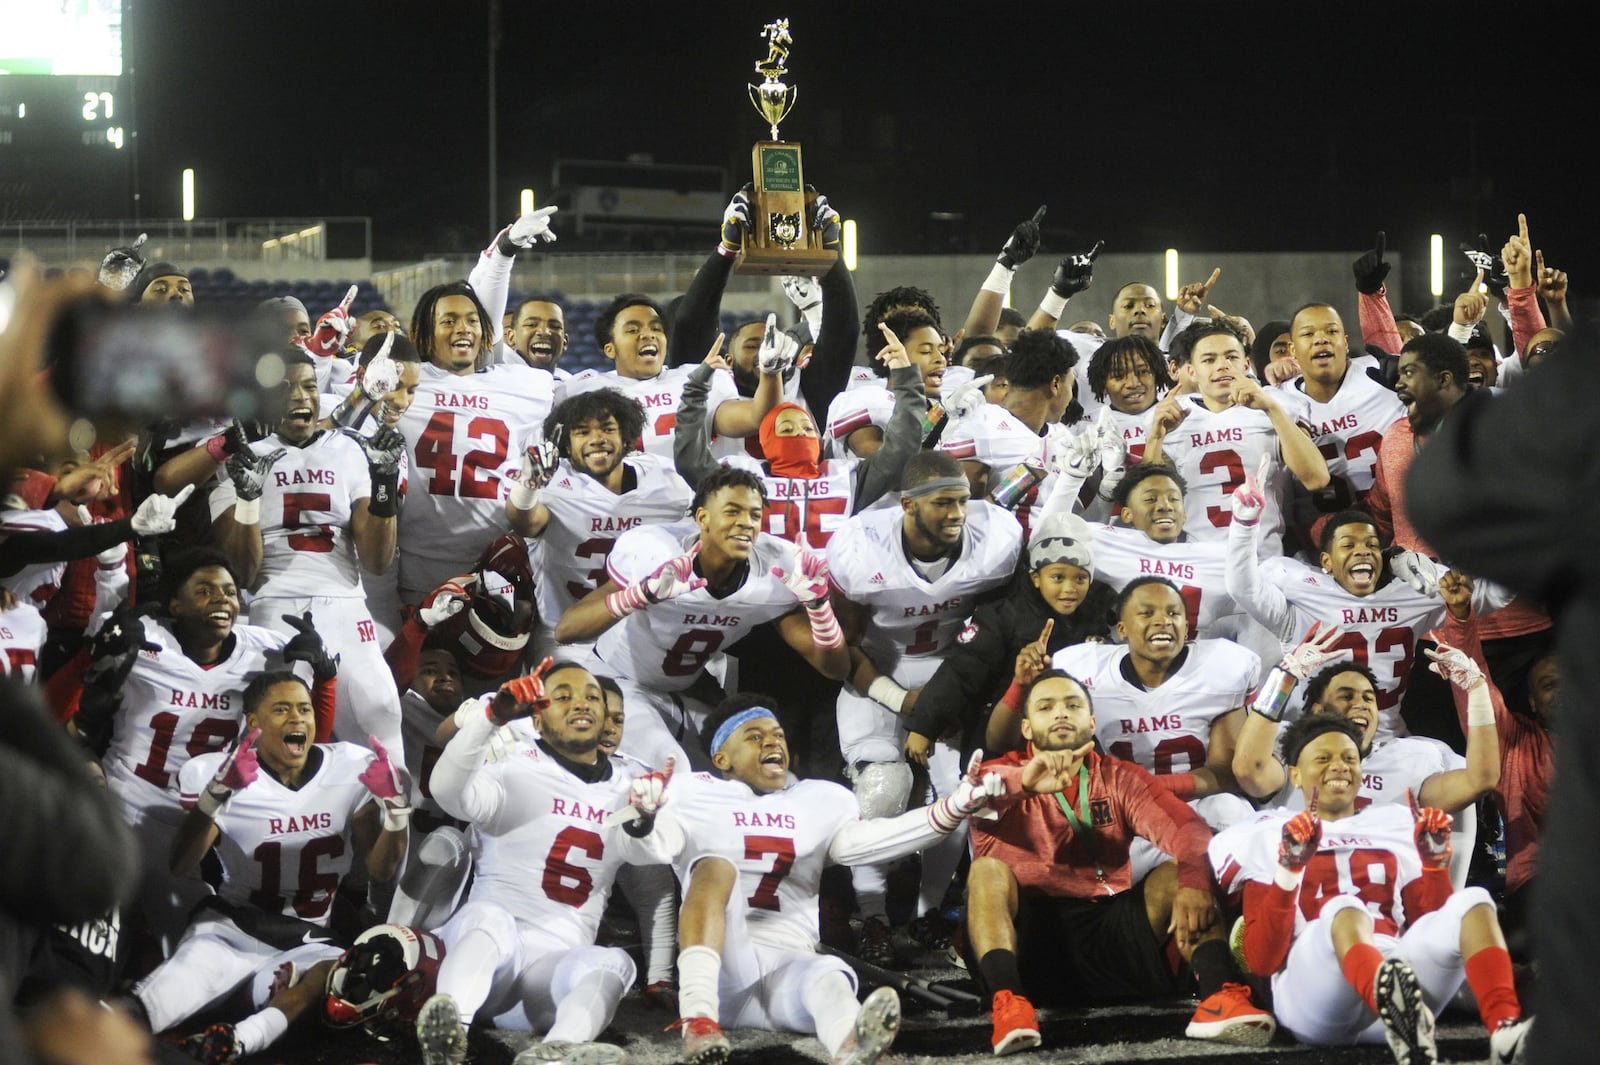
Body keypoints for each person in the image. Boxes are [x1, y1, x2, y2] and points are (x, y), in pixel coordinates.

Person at [613, 694, 1003, 1065]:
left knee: (829, 978)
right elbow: (645, 849)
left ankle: (855, 1046)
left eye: (778, 735)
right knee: (715, 866)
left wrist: (954, 806)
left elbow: (874, 842)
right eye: (755, 736)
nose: (773, 742)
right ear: (722, 758)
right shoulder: (691, 792)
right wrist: (641, 819)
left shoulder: (818, 800)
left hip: (790, 966)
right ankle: (697, 1022)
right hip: (721, 975)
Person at [965, 670, 1273, 1054]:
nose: (1061, 713)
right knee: (985, 871)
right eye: (1046, 707)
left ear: (1092, 723)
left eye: (1072, 705)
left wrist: (1194, 883)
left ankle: (1218, 996)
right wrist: (1024, 783)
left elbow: (1188, 829)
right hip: (1032, 942)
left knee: (1182, 872)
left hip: (1110, 929)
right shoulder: (997, 775)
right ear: (1026, 728)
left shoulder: (1118, 777)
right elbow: (978, 794)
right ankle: (1009, 1003)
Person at [1209, 714, 1532, 1064]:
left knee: (1474, 900)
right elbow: (1261, 960)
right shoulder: (1267, 831)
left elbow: (1430, 925)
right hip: (1315, 993)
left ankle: (1504, 1028)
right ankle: (1398, 1007)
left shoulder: (1394, 822)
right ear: (1295, 774)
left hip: (1397, 973)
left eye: (1349, 758)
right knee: (1344, 908)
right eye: (1323, 758)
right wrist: (1289, 869)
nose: (1340, 766)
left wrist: (1433, 866)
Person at [132, 671, 410, 1062]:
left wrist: (397, 813)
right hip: (231, 931)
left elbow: (381, 871)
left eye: (304, 709)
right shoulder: (223, 773)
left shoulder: (348, 768)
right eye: (282, 709)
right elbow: (181, 863)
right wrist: (216, 797)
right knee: (151, 1006)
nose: (297, 719)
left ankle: (234, 1042)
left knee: (331, 976)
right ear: (255, 723)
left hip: (306, 940)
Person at [74, 549, 339, 950]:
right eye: (204, 591)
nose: (222, 599)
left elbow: (307, 734)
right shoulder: (144, 637)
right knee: (93, 937)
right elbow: (76, 693)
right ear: (175, 605)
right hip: (125, 802)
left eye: (230, 591)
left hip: (199, 818)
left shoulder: (269, 651)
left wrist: (321, 672)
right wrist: (102, 649)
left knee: (192, 945)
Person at [827, 451, 1023, 962]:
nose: (958, 513)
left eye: (962, 501)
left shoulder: (995, 539)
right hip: (878, 673)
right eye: (943, 503)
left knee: (960, 800)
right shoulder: (860, 546)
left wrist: (954, 696)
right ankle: (871, 917)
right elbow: (839, 650)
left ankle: (926, 916)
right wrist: (902, 700)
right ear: (907, 506)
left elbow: (998, 629)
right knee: (883, 789)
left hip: (951, 672)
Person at [414, 663, 645, 1065]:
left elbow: (654, 855)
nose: (581, 703)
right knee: (491, 918)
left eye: (592, 696)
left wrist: (650, 818)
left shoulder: (632, 785)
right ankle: (449, 1034)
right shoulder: (513, 763)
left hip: (549, 980)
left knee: (616, 963)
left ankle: (555, 1053)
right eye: (564, 696)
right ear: (537, 716)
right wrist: (491, 718)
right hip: (484, 956)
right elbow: (446, 791)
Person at [553, 465, 851, 770]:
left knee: (764, 770)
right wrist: (638, 595)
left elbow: (836, 668)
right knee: (672, 766)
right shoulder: (656, 553)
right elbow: (566, 630)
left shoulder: (774, 571)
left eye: (754, 514)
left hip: (688, 689)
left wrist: (818, 607)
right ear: (702, 518)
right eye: (732, 511)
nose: (745, 523)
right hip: (620, 680)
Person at [209, 350, 406, 755]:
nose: (300, 396)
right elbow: (242, 574)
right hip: (273, 607)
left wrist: (384, 482)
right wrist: (248, 499)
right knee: (278, 735)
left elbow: (377, 561)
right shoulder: (242, 459)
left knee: (382, 711)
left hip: (345, 602)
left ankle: (392, 818)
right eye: (284, 388)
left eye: (309, 385)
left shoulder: (350, 449)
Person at [1226, 488, 1506, 735]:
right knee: (1258, 771)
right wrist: (1245, 524)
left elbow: (1492, 595)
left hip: (1385, 738)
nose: (1363, 551)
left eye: (1372, 545)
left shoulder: (1412, 592)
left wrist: (1513, 534)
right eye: (1348, 545)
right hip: (1310, 739)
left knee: (1451, 771)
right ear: (1326, 561)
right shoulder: (1302, 597)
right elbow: (1243, 587)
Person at [1029, 577, 1258, 845]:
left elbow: (1227, 774)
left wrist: (1150, 787)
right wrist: (1022, 684)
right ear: (1122, 629)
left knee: (1229, 809)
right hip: (1120, 811)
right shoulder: (1081, 669)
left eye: (1173, 613)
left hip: (1195, 804)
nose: (1163, 620)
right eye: (1147, 613)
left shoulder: (1222, 666)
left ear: (1186, 628)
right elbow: (1009, 743)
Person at [902, 511, 1115, 772]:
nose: (1070, 588)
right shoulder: (1003, 613)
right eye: (1058, 577)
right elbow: (962, 671)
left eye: (1080, 578)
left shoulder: (1099, 607)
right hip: (1002, 723)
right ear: (1036, 577)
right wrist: (924, 726)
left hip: (1070, 724)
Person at [393, 281, 557, 605]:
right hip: (418, 571)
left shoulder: (527, 386)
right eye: (449, 320)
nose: (463, 328)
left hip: (499, 570)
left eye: (471, 320)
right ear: (426, 333)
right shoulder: (406, 381)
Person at [505, 388, 693, 660]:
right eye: (582, 432)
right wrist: (528, 486)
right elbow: (525, 523)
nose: (596, 439)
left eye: (607, 429)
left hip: (641, 632)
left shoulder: (666, 481)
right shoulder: (553, 482)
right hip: (568, 635)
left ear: (627, 438)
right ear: (567, 445)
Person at [1143, 320, 1330, 552]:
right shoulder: (1173, 416)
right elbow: (1147, 506)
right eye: (1209, 360)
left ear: (1246, 364)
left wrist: (1272, 409)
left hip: (1263, 559)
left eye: (1231, 357)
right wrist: (1155, 439)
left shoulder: (1276, 404)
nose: (1222, 366)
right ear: (1191, 371)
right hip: (1200, 560)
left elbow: (1317, 479)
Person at [563, 293, 778, 460]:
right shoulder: (584, 389)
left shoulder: (695, 378)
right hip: (620, 510)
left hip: (690, 511)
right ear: (610, 349)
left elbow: (756, 417)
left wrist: (770, 372)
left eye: (656, 328)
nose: (648, 334)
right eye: (632, 330)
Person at [1274, 303, 1404, 533]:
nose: (1321, 339)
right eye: (1308, 333)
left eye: (1331, 331)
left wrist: (1461, 328)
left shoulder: (1382, 373)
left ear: (1345, 342)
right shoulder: (1277, 399)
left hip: (1395, 525)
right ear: (1292, 350)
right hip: (1319, 541)